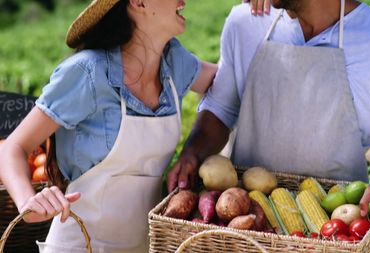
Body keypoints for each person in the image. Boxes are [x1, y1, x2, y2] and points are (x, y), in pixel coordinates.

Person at [167, 0, 370, 229]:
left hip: (337, 232)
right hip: (248, 226)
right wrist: (193, 152)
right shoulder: (245, 23)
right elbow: (221, 108)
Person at [0, 0, 219, 252]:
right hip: (79, 245)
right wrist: (27, 201)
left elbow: (228, 82)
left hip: (147, 245)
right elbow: (13, 147)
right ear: (138, 2)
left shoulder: (174, 63)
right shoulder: (87, 72)